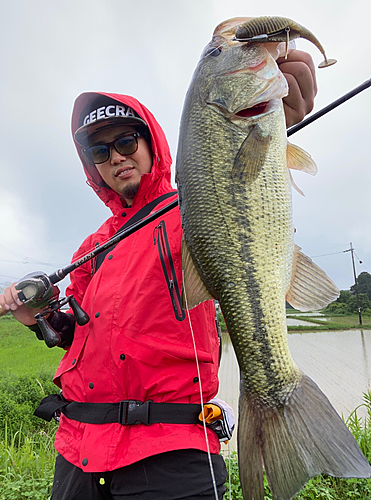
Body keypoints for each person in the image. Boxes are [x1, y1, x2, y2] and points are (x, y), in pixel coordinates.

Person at [0, 49, 317, 499]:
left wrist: (269, 118)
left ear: (152, 143)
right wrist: (42, 319)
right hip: (79, 450)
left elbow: (244, 194)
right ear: (92, 166)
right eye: (100, 150)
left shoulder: (194, 209)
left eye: (127, 142)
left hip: (171, 453)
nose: (116, 157)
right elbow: (82, 335)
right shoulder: (91, 248)